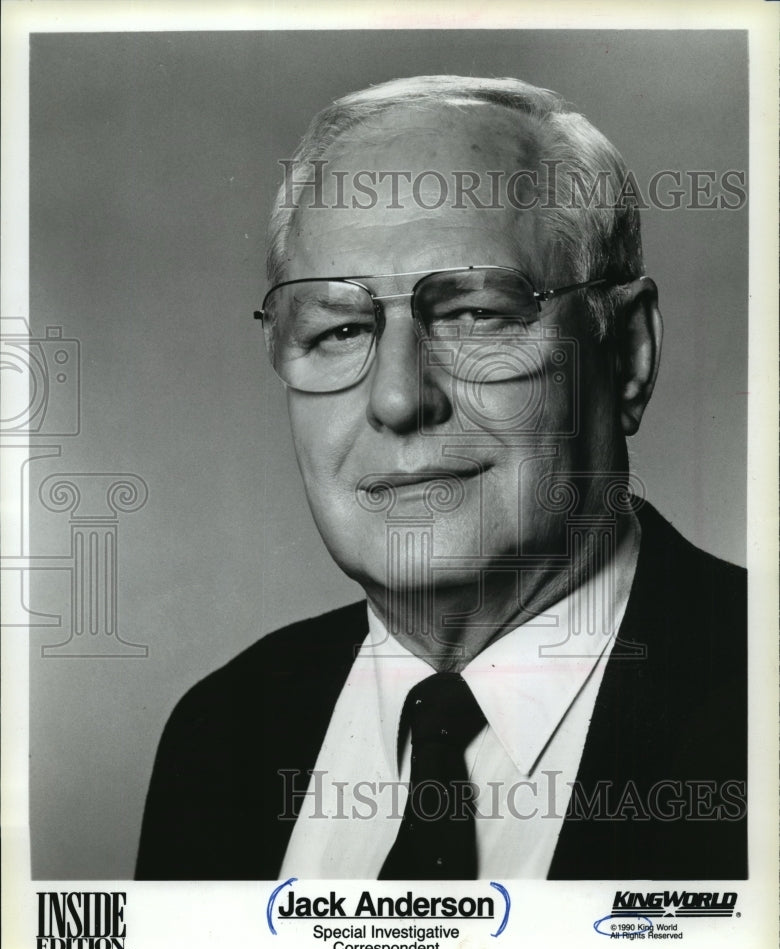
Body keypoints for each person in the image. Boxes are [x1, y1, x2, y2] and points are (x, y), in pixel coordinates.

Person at [136, 76, 746, 880]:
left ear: (627, 355)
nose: (397, 398)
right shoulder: (221, 734)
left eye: (474, 315)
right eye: (341, 327)